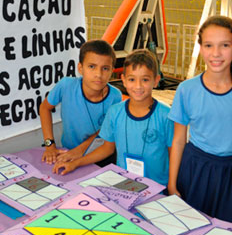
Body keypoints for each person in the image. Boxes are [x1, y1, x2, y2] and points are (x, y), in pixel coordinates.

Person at [168, 15, 232, 224]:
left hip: (229, 172)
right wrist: (172, 183)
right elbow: (178, 140)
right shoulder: (187, 89)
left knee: (225, 232)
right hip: (195, 168)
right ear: (201, 48)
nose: (216, 53)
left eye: (224, 45)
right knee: (190, 227)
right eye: (208, 45)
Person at [52, 49, 174, 187]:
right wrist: (76, 163)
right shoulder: (115, 112)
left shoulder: (167, 115)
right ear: (124, 80)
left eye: (145, 80)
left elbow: (174, 154)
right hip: (123, 184)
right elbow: (107, 148)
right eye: (132, 79)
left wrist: (172, 185)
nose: (138, 86)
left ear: (156, 81)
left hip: (157, 187)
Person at [40, 39, 122, 166]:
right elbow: (44, 108)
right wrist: (49, 145)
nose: (98, 74)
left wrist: (79, 151)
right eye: (92, 66)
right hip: (68, 152)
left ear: (112, 71)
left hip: (101, 156)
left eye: (105, 68)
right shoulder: (66, 85)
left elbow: (105, 131)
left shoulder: (115, 96)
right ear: (80, 68)